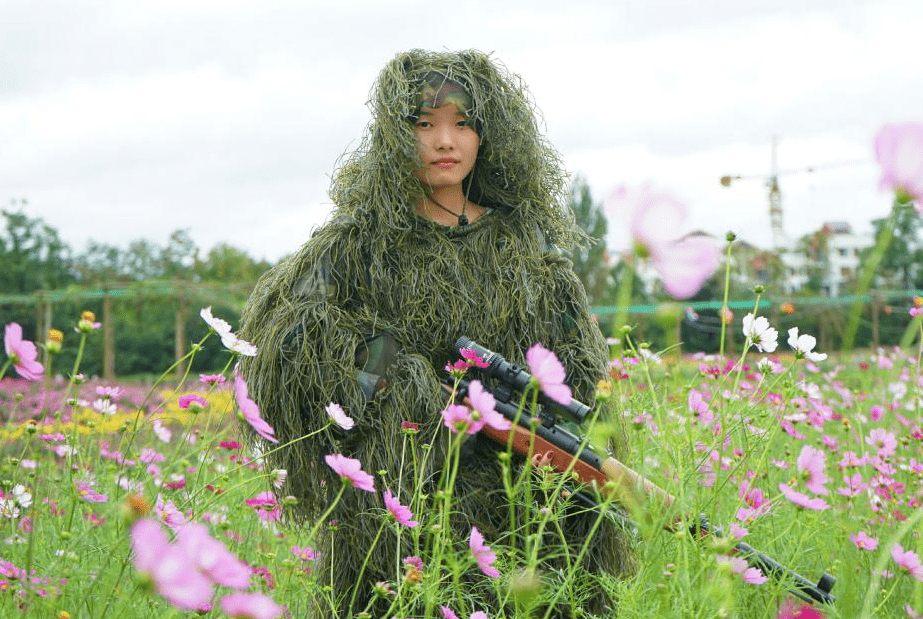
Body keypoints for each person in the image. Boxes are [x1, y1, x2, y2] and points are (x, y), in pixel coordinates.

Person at [238, 49, 635, 617]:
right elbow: (288, 357)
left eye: (462, 123)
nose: (444, 141)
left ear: (488, 135)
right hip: (403, 516)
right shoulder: (356, 246)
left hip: (526, 508)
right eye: (424, 124)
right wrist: (407, 383)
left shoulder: (529, 245)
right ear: (396, 136)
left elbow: (574, 372)